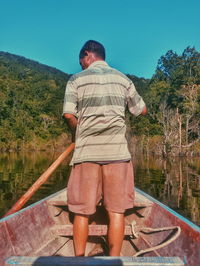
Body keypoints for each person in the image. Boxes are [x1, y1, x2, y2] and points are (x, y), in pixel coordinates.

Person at [63, 40, 147, 256]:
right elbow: (142, 110)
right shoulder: (123, 80)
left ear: (88, 55)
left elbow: (69, 114)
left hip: (86, 154)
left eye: (81, 60)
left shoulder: (76, 80)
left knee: (81, 213)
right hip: (117, 154)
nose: (81, 64)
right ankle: (114, 260)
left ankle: (79, 260)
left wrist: (77, 130)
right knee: (117, 212)